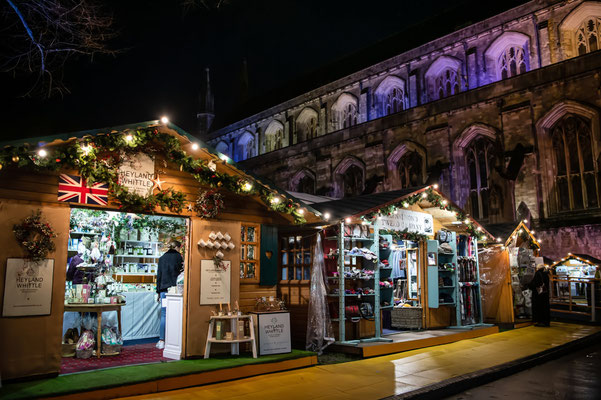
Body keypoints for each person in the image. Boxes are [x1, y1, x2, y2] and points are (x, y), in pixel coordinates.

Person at [156, 240, 184, 349]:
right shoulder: (178, 257)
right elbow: (181, 273)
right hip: (175, 290)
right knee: (176, 314)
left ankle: (162, 340)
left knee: (164, 314)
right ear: (177, 247)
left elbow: (159, 276)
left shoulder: (162, 258)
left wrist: (158, 291)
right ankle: (175, 340)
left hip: (163, 290)